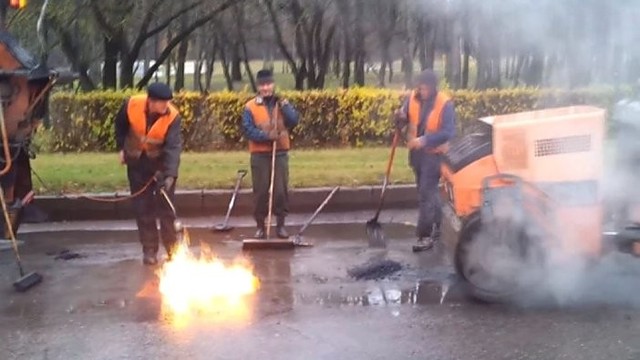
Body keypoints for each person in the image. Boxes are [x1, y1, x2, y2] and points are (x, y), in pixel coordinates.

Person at [114, 83, 182, 265]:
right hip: (136, 162)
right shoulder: (132, 105)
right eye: (162, 103)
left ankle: (172, 249)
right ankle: (150, 249)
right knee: (142, 207)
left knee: (166, 209)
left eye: (168, 102)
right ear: (151, 101)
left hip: (160, 163)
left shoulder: (173, 116)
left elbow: (173, 147)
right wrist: (121, 148)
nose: (166, 106)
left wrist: (170, 175)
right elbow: (119, 125)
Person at [394, 70, 456, 252]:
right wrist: (400, 117)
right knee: (428, 193)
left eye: (427, 88)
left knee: (425, 194)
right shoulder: (412, 98)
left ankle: (424, 235)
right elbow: (405, 116)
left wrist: (425, 140)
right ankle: (439, 225)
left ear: (434, 87)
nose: (423, 91)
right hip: (416, 155)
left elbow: (448, 132)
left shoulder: (445, 103)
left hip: (434, 154)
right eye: (421, 87)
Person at [242, 69, 300, 239]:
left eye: (268, 84)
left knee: (280, 191)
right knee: (260, 191)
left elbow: (294, 121)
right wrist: (266, 136)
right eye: (262, 85)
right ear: (258, 87)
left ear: (273, 85)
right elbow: (248, 130)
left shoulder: (282, 103)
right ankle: (260, 226)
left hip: (280, 153)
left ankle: (281, 225)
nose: (266, 88)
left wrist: (285, 107)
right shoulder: (250, 106)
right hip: (259, 155)